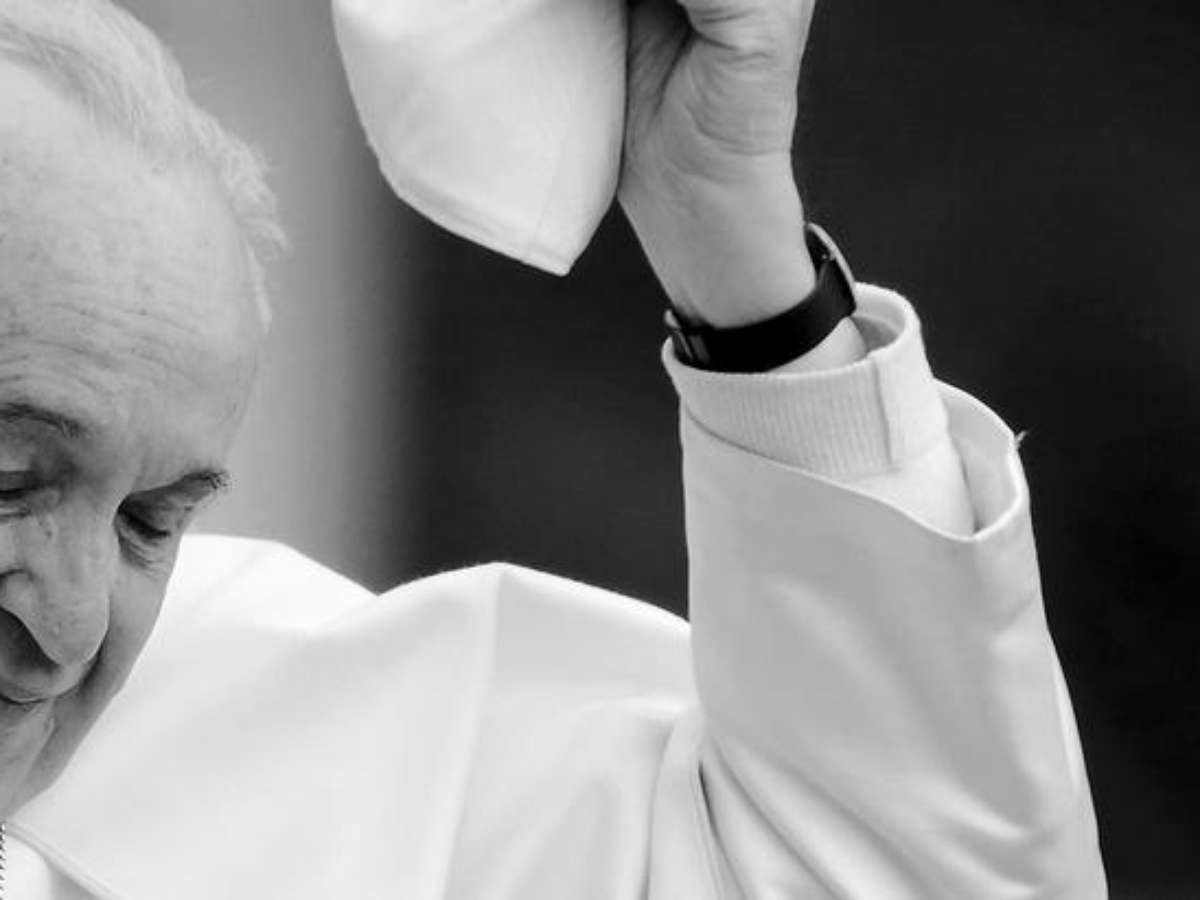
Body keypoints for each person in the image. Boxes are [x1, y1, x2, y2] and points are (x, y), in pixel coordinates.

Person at [0, 0, 1106, 896]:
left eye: (150, 522)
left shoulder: (294, 746)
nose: (72, 624)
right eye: (10, 478)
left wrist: (737, 257)